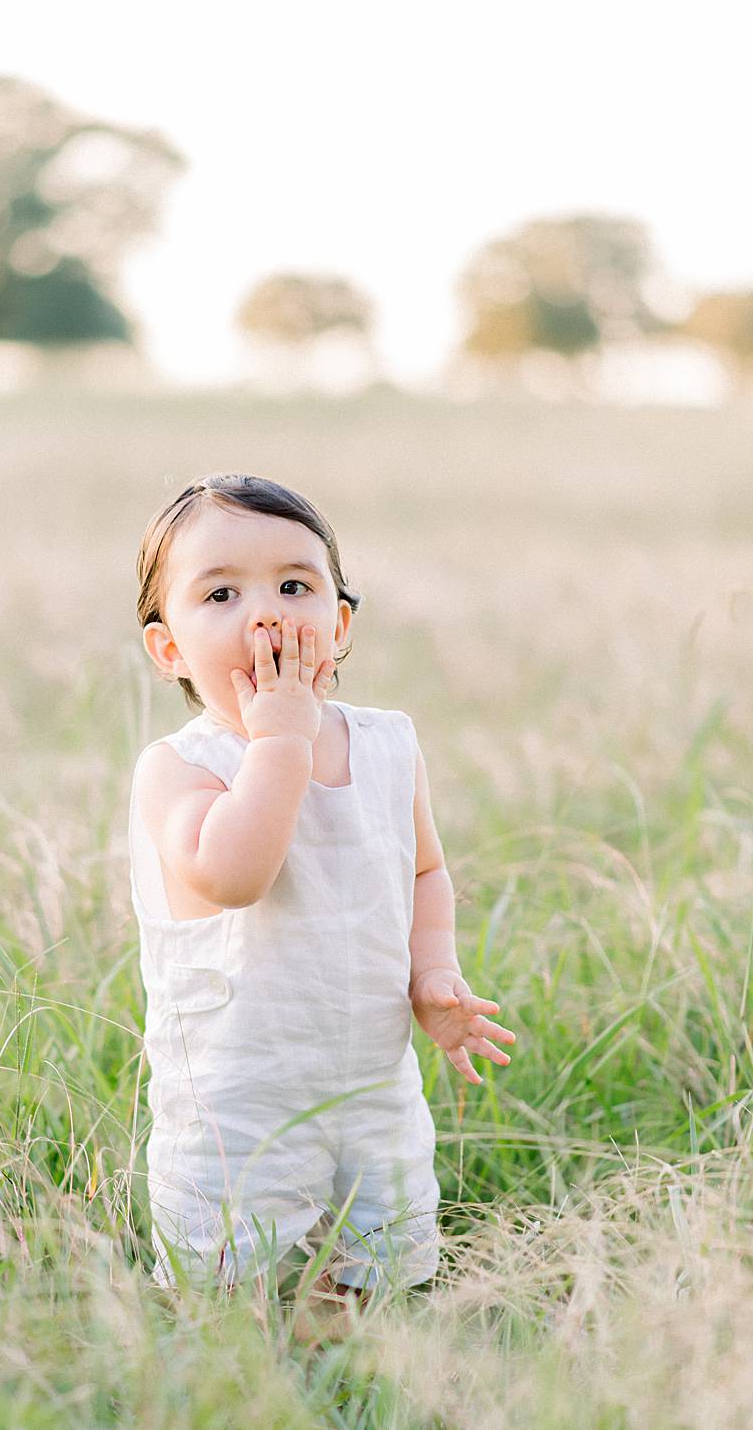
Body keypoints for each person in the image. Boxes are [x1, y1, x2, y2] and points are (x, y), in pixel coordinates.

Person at [128, 473, 514, 1327]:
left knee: (371, 1279)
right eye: (222, 592)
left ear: (337, 626)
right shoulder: (180, 768)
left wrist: (434, 972)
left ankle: (341, 1362)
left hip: (370, 1080)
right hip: (238, 1102)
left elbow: (423, 870)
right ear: (169, 650)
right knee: (231, 1297)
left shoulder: (387, 744)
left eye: (295, 585)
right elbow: (235, 873)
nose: (266, 614)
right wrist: (280, 738)